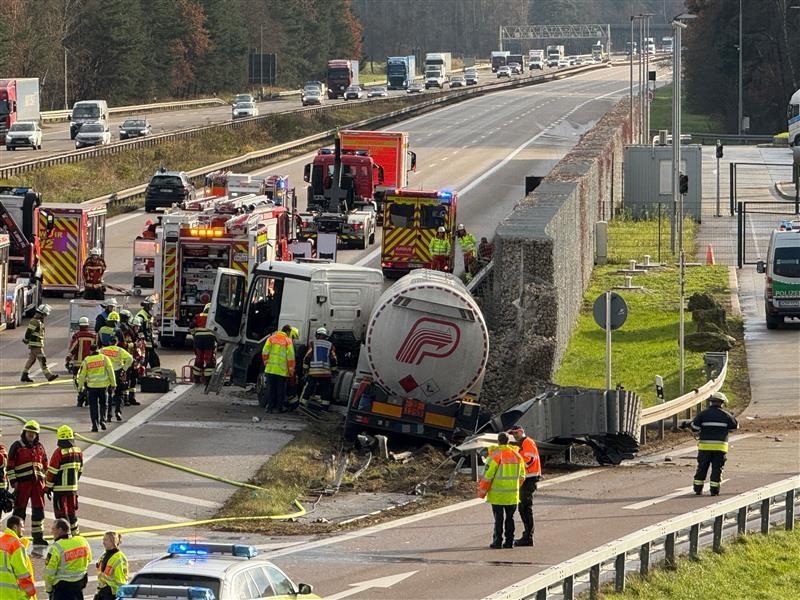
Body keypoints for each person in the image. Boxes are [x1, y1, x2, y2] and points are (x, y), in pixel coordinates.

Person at [681, 392, 739, 496]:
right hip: (720, 448)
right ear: (722, 403)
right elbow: (735, 426)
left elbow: (695, 427)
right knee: (717, 469)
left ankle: (698, 489)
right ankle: (714, 491)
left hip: (704, 448)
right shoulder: (726, 415)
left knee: (702, 468)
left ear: (711, 402)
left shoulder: (703, 414)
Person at [478, 432, 525, 549]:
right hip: (512, 495)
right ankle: (509, 542)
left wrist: (482, 491)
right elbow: (522, 476)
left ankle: (497, 541)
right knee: (510, 518)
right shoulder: (518, 456)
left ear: (498, 441)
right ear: (508, 441)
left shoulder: (495, 455)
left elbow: (487, 476)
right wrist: (514, 487)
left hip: (497, 494)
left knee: (498, 519)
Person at [6, 421, 48, 546]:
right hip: (22, 485)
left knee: (38, 511)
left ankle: (38, 537)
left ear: (37, 434)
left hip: (37, 485)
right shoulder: (17, 446)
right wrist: (14, 483)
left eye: (33, 432)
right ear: (24, 432)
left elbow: (45, 464)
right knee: (19, 511)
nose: (31, 434)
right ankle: (16, 537)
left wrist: (46, 483)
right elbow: (10, 466)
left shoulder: (39, 447)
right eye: (29, 432)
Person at [45, 426, 83, 536]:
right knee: (72, 514)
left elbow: (52, 472)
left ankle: (64, 538)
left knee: (61, 515)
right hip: (72, 490)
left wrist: (47, 487)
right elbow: (80, 470)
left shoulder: (59, 452)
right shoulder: (78, 451)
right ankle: (76, 536)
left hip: (60, 491)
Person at [508, 426, 542, 547]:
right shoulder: (523, 443)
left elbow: (529, 460)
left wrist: (516, 464)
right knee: (523, 507)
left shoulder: (527, 442)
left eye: (516, 433)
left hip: (529, 478)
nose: (515, 435)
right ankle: (527, 535)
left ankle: (528, 536)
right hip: (527, 478)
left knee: (525, 507)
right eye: (513, 433)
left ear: (521, 432)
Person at [44, 518, 91, 600]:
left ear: (60, 530)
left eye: (53, 529)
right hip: (79, 584)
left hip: (62, 589)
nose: (51, 532)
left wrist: (49, 590)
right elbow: (89, 559)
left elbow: (49, 572)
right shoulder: (83, 541)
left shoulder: (56, 547)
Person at [76, 345, 116, 432]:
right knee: (103, 404)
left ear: (90, 351)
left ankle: (95, 425)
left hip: (92, 387)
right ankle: (103, 420)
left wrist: (80, 387)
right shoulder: (104, 358)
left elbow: (82, 375)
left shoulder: (87, 360)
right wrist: (113, 384)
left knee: (93, 406)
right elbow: (110, 371)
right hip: (103, 386)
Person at [300, 327, 338, 411]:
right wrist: (334, 370)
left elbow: (307, 357)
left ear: (317, 335)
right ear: (326, 336)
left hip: (314, 372)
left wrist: (305, 368)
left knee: (309, 387)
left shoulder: (313, 344)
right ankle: (325, 407)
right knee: (325, 390)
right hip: (326, 373)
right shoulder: (330, 345)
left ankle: (302, 404)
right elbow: (333, 359)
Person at [261, 325, 296, 413]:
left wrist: (266, 362)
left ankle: (269, 408)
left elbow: (265, 351)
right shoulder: (288, 341)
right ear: (288, 332)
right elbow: (290, 357)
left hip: (270, 369)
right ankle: (278, 408)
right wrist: (291, 370)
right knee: (280, 390)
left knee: (270, 389)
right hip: (281, 371)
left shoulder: (271, 338)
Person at [0, 515, 37, 599]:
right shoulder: (16, 545)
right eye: (22, 527)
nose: (23, 530)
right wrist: (30, 591)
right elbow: (21, 572)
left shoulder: (1, 540)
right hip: (13, 593)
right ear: (15, 527)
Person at [21, 304, 58, 383]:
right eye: (44, 315)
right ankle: (49, 376)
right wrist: (27, 339)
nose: (45, 317)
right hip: (36, 345)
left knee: (32, 359)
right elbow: (28, 332)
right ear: (41, 314)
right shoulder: (34, 322)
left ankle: (24, 374)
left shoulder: (38, 321)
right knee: (42, 359)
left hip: (36, 344)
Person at [100, 340, 133, 422]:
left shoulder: (103, 350)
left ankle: (108, 415)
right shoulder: (119, 350)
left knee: (108, 394)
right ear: (117, 342)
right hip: (118, 372)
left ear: (109, 343)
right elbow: (130, 358)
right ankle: (118, 411)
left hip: (107, 373)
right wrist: (124, 369)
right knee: (119, 393)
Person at [66, 317, 96, 408]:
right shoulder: (93, 337)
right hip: (90, 362)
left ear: (79, 325)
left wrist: (68, 358)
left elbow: (73, 348)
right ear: (88, 325)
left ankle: (81, 394)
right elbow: (96, 349)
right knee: (88, 379)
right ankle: (87, 395)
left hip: (78, 363)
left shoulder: (77, 336)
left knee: (77, 379)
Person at [94, 531, 128, 600]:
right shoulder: (104, 555)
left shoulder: (119, 558)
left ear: (113, 542)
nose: (103, 542)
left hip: (112, 594)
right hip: (103, 591)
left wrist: (120, 596)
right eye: (103, 539)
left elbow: (121, 581)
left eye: (106, 540)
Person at [190, 304, 217, 384]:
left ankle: (197, 379)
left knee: (199, 358)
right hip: (209, 339)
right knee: (209, 358)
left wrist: (195, 335)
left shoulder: (198, 316)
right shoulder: (213, 317)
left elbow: (191, 327)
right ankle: (208, 380)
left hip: (198, 340)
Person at [125, 318, 146, 407]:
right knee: (126, 380)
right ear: (132, 326)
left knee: (133, 380)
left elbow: (143, 348)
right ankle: (125, 399)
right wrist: (134, 344)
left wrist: (142, 358)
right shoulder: (127, 335)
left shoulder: (139, 336)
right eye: (136, 326)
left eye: (138, 327)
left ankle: (132, 398)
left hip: (136, 361)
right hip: (129, 360)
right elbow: (126, 346)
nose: (137, 328)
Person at [136, 296, 160, 368]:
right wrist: (143, 341)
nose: (152, 306)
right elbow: (139, 330)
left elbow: (150, 330)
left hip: (149, 342)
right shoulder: (141, 315)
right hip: (144, 342)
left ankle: (156, 375)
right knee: (145, 359)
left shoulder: (148, 314)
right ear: (147, 305)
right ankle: (141, 375)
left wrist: (153, 341)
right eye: (151, 305)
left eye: (152, 305)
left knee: (154, 359)